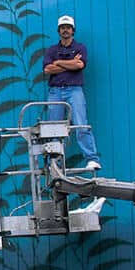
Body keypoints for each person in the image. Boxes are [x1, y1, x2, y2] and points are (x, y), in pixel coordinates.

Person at [43, 14, 101, 170]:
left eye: (68, 28)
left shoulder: (80, 47)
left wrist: (59, 63)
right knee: (54, 127)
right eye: (62, 28)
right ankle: (54, 163)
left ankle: (92, 158)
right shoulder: (51, 49)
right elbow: (47, 69)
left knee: (81, 124)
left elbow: (80, 65)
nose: (65, 30)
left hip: (74, 90)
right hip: (55, 91)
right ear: (58, 30)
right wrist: (71, 63)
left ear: (73, 30)